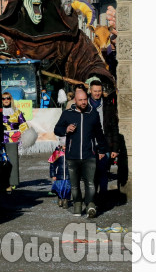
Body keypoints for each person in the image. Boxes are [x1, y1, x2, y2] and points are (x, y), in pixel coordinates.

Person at [54, 84, 108, 218]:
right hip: (72, 156)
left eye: (85, 99)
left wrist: (102, 149)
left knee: (90, 183)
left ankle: (90, 204)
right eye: (80, 100)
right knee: (75, 185)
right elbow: (57, 129)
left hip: (89, 154)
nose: (83, 102)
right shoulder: (67, 114)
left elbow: (99, 134)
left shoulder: (93, 114)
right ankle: (77, 204)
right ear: (75, 101)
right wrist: (66, 129)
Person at [88, 80, 120, 209]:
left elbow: (114, 128)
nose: (97, 93)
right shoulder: (85, 105)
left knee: (103, 172)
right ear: (90, 90)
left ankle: (102, 198)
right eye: (95, 91)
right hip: (89, 145)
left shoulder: (107, 105)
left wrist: (115, 148)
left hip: (104, 144)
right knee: (91, 173)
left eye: (99, 91)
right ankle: (92, 198)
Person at [2, 91, 28, 192]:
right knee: (2, 161)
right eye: (3, 98)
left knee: (13, 161)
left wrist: (24, 136)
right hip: (1, 138)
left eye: (8, 98)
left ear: (11, 99)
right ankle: (4, 182)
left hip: (13, 138)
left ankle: (13, 182)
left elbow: (23, 125)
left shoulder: (17, 111)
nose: (6, 100)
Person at [49, 137, 71, 208]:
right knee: (59, 188)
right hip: (59, 175)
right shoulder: (57, 153)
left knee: (67, 188)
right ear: (61, 145)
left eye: (66, 146)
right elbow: (52, 164)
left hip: (68, 175)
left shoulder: (70, 152)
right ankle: (60, 198)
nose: (65, 148)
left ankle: (66, 200)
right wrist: (53, 175)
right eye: (64, 146)